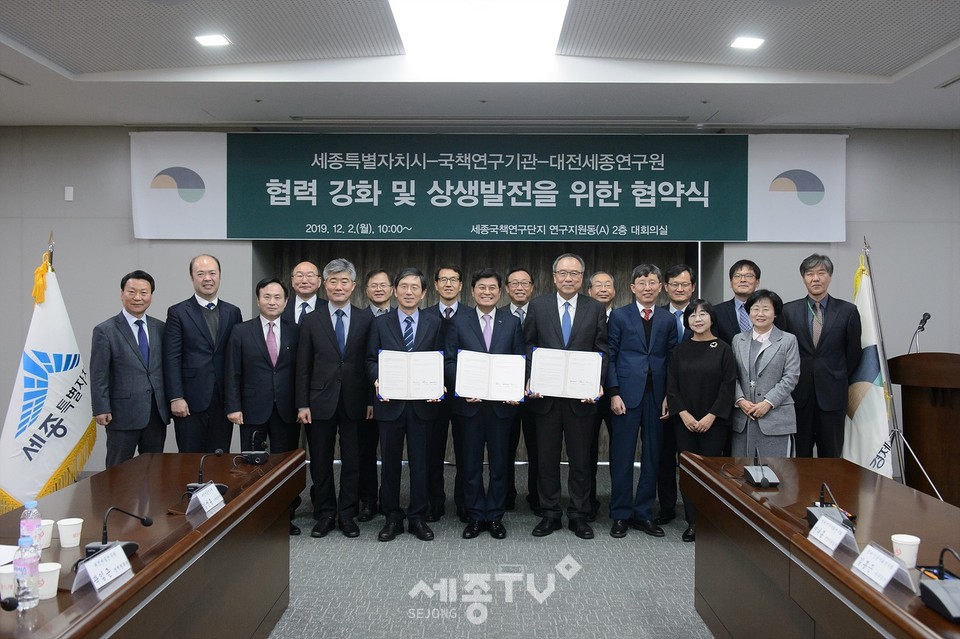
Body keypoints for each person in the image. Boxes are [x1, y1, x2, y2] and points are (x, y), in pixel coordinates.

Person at [524, 253, 607, 540]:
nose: (568, 278)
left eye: (574, 273)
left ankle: (579, 515)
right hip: (545, 399)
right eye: (563, 273)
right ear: (554, 276)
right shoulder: (538, 306)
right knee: (546, 459)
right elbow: (529, 346)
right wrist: (531, 378)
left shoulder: (594, 308)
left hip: (581, 400)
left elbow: (602, 351)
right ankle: (549, 513)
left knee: (581, 459)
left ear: (582, 278)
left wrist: (597, 383)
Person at [444, 268, 524, 539]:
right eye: (482, 287)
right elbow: (449, 360)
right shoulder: (459, 321)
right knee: (470, 464)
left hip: (501, 407)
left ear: (500, 292)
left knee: (501, 464)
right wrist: (464, 386)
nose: (487, 292)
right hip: (469, 405)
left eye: (492, 288)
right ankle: (476, 516)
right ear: (473, 290)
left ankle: (495, 516)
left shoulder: (511, 322)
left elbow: (519, 361)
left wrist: (515, 387)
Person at [367, 267, 445, 542]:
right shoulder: (380, 323)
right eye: (404, 286)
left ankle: (417, 517)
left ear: (424, 293)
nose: (409, 291)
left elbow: (441, 359)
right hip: (390, 404)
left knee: (421, 463)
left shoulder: (435, 323)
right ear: (394, 291)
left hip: (423, 405)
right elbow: (370, 360)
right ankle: (391, 516)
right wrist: (377, 380)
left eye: (415, 287)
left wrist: (440, 384)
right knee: (389, 463)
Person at [296, 259, 373, 539]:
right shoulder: (311, 319)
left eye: (344, 282)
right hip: (319, 403)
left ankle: (348, 514)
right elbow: (303, 365)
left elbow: (369, 362)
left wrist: (371, 400)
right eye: (333, 281)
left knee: (353, 460)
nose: (338, 287)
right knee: (320, 460)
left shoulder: (366, 318)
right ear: (323, 285)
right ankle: (325, 513)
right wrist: (302, 403)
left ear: (353, 286)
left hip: (355, 401)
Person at [606, 264, 678, 539]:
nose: (647, 288)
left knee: (653, 456)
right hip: (625, 394)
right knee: (622, 456)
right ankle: (621, 513)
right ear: (632, 287)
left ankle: (643, 513)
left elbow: (672, 361)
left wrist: (670, 397)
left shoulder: (667, 319)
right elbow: (610, 355)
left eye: (652, 283)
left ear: (660, 287)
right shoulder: (620, 317)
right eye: (642, 283)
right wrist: (614, 392)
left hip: (657, 396)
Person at [225, 277, 300, 535]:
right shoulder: (241, 331)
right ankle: (251, 516)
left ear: (286, 301)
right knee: (251, 466)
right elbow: (232, 372)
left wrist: (302, 405)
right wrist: (234, 406)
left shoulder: (295, 330)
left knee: (283, 466)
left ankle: (283, 516)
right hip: (251, 410)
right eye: (267, 297)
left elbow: (301, 373)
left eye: (278, 297)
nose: (272, 302)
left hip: (286, 410)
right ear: (258, 300)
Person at [665, 299, 736, 542]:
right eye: (693, 315)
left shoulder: (724, 349)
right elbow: (671, 386)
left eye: (703, 314)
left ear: (712, 319)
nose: (698, 318)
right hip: (684, 420)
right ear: (687, 321)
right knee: (688, 472)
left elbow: (728, 386)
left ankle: (711, 521)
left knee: (711, 472)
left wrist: (711, 416)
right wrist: (682, 413)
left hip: (714, 422)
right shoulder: (680, 350)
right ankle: (693, 521)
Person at [780, 254, 862, 458]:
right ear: (803, 278)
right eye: (810, 274)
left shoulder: (847, 311)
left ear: (830, 276)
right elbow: (782, 352)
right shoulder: (789, 311)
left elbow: (853, 353)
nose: (815, 278)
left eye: (821, 273)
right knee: (800, 457)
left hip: (833, 395)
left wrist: (837, 374)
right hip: (798, 395)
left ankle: (830, 491)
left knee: (832, 455)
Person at [163, 254, 242, 453]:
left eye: (212, 273)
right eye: (201, 273)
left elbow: (237, 357)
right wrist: (176, 397)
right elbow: (171, 357)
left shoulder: (233, 312)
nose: (207, 278)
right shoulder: (178, 312)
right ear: (192, 278)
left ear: (220, 276)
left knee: (219, 456)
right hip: (190, 400)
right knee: (190, 460)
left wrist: (236, 399)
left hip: (223, 400)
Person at [90, 270, 169, 468]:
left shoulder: (161, 328)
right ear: (122, 294)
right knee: (118, 469)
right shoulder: (105, 330)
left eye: (144, 292)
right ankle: (113, 501)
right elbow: (99, 373)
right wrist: (101, 407)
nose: (137, 298)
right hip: (121, 414)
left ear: (151, 296)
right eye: (132, 292)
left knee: (154, 469)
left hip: (155, 413)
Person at [422, 265, 472, 523]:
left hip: (466, 396)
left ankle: (464, 501)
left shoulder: (472, 316)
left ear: (461, 285)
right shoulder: (424, 315)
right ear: (436, 284)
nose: (449, 284)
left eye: (454, 279)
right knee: (432, 451)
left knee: (466, 451)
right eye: (444, 279)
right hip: (431, 395)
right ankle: (434, 501)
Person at [731, 290, 800, 458]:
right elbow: (731, 376)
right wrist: (740, 400)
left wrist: (768, 402)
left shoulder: (788, 340)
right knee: (740, 474)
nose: (760, 314)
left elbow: (791, 376)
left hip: (775, 418)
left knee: (776, 474)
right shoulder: (738, 340)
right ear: (748, 312)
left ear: (775, 313)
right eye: (755, 309)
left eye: (766, 309)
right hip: (743, 419)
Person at [655, 263, 697, 526]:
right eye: (674, 284)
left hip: (696, 402)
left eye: (685, 284)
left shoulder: (704, 315)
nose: (679, 289)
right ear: (666, 288)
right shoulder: (656, 315)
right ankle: (667, 507)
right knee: (663, 455)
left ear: (692, 287)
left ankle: (695, 511)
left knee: (692, 459)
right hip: (662, 399)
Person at [357, 269, 393, 522]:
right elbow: (363, 362)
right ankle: (368, 499)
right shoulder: (358, 319)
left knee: (392, 453)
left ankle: (390, 498)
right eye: (373, 285)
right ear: (366, 290)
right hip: (364, 399)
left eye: (383, 285)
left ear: (392, 289)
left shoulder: (402, 316)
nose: (379, 289)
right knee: (366, 452)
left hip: (398, 400)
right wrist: (370, 399)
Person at [503, 267, 539, 514]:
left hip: (537, 393)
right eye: (514, 283)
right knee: (505, 446)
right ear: (506, 289)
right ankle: (506, 495)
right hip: (505, 395)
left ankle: (537, 496)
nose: (519, 287)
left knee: (538, 447)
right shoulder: (499, 315)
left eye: (525, 283)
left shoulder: (542, 313)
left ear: (532, 287)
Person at [586, 270, 616, 521]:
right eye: (598, 285)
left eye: (608, 285)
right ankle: (589, 501)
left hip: (617, 395)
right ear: (589, 291)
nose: (603, 289)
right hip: (586, 394)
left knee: (619, 451)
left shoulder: (624, 317)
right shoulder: (584, 314)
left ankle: (617, 504)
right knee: (587, 450)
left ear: (615, 291)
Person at [715, 260, 762, 345]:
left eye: (748, 276)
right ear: (731, 282)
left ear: (757, 282)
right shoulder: (717, 312)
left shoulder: (768, 311)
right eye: (737, 276)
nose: (743, 280)